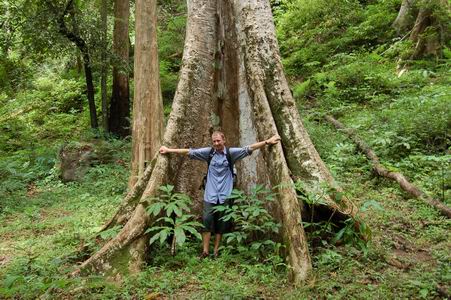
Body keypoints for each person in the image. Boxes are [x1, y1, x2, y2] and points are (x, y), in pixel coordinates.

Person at [159, 131, 281, 258]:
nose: (216, 143)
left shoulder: (231, 153)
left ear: (224, 140)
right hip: (210, 194)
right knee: (206, 221)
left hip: (225, 195)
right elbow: (190, 152)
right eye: (214, 141)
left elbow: (248, 149)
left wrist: (267, 142)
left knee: (221, 224)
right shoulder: (209, 153)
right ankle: (205, 251)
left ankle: (216, 251)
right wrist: (169, 150)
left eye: (218, 141)